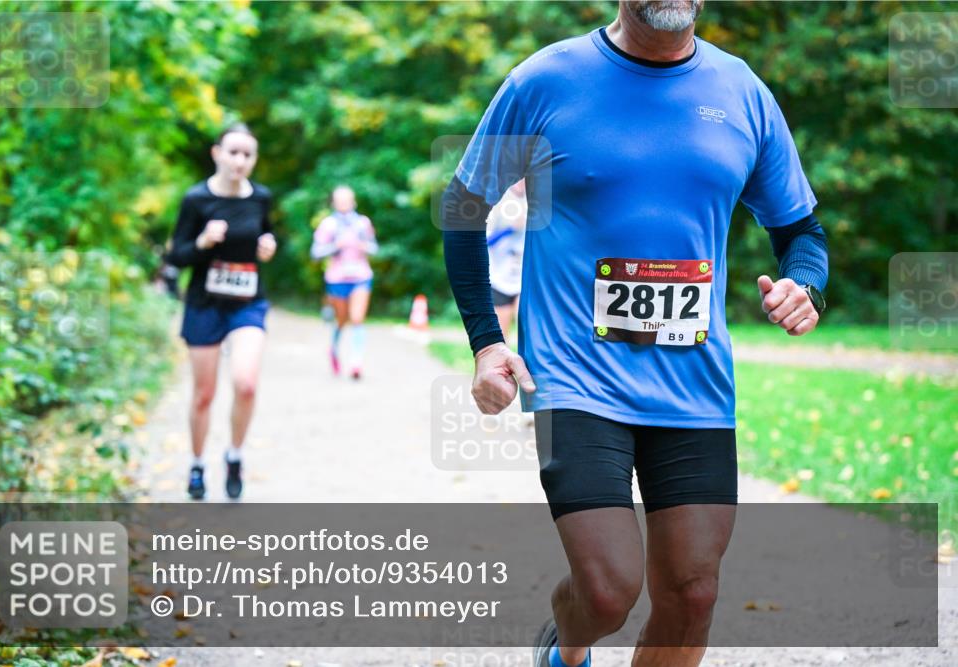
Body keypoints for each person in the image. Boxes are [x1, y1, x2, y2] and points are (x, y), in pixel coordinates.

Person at [441, 2, 829, 666]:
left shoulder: (742, 92)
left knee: (693, 593)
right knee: (606, 590)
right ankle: (564, 645)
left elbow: (802, 232)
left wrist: (805, 284)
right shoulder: (544, 81)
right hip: (575, 377)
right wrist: (486, 340)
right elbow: (463, 205)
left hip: (695, 386)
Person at [167, 122, 277, 501]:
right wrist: (202, 242)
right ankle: (197, 464)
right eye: (233, 152)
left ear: (254, 159)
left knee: (246, 383)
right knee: (205, 393)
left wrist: (268, 246)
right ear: (217, 154)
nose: (239, 161)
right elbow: (176, 257)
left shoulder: (261, 198)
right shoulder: (196, 199)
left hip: (247, 303)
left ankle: (234, 456)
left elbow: (266, 234)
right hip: (204, 304)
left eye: (247, 154)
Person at [310, 185, 378, 380]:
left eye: (347, 200)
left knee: (357, 318)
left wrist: (363, 245)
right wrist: (335, 246)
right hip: (337, 278)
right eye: (340, 200)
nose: (344, 204)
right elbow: (315, 253)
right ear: (334, 203)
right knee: (341, 321)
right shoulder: (328, 224)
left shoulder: (363, 223)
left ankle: (356, 363)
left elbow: (374, 248)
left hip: (361, 277)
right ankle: (333, 349)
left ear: (353, 202)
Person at [486, 179, 528, 340]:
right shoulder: (498, 201)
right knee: (501, 338)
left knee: (527, 331)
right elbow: (485, 240)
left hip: (524, 277)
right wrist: (510, 229)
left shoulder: (536, 200)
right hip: (500, 277)